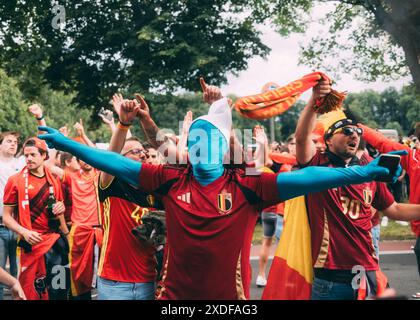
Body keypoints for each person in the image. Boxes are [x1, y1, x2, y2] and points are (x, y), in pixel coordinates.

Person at [38, 79, 401, 300]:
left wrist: (362, 173)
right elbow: (116, 163)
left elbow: (307, 179)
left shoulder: (249, 185)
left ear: (224, 148)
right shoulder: (170, 178)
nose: (197, 147)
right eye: (191, 141)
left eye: (206, 140)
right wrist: (70, 144)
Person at [294, 86, 420, 299]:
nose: (354, 134)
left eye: (357, 132)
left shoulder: (369, 169)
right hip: (331, 278)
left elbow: (395, 209)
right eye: (346, 131)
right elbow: (301, 139)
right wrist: (313, 102)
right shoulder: (316, 165)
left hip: (369, 273)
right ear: (328, 140)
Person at [96, 94, 164, 300]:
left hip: (147, 279)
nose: (143, 154)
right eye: (135, 151)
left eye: (144, 151)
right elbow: (111, 157)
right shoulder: (110, 184)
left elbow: (168, 153)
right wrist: (123, 123)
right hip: (114, 282)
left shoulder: (154, 188)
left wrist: (146, 120)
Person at [2, 138, 69, 300]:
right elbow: (6, 217)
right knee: (30, 292)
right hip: (31, 244)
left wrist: (62, 210)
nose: (29, 159)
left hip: (55, 243)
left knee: (58, 290)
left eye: (33, 155)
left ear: (43, 155)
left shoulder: (53, 179)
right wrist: (23, 232)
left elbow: (59, 208)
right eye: (26, 155)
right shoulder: (15, 180)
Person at [359, 121, 420, 299]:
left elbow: (382, 143)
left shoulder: (414, 157)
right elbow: (383, 143)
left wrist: (359, 127)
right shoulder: (414, 157)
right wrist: (358, 127)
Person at [0, 131, 25, 300]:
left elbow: (43, 153)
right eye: (9, 141)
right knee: (1, 273)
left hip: (19, 227)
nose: (13, 144)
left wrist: (40, 119)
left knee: (20, 274)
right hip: (0, 226)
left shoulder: (22, 163)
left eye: (15, 142)